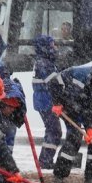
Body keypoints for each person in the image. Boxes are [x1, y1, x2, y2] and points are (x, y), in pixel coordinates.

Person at [48, 55, 92, 183]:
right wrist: (57, 102)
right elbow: (54, 84)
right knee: (75, 136)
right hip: (68, 107)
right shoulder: (77, 74)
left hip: (87, 111)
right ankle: (60, 174)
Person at [32, 35, 62, 169]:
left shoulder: (44, 62)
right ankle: (45, 160)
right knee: (54, 130)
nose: (55, 48)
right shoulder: (44, 63)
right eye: (53, 45)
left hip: (44, 100)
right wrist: (57, 101)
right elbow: (54, 83)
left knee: (52, 130)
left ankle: (45, 159)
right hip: (46, 100)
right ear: (46, 47)